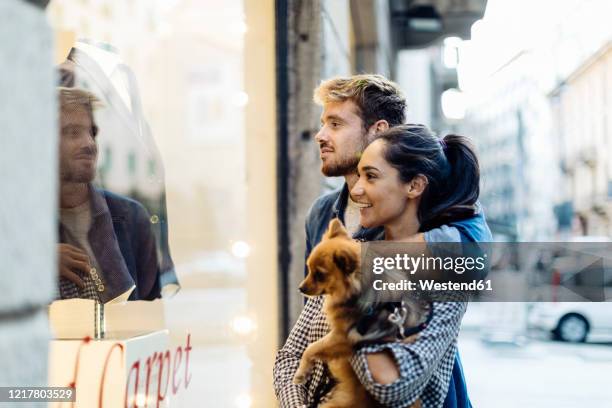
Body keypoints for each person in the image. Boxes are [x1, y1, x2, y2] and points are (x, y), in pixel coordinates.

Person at [273, 75, 490, 407]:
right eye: (322, 123)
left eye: (335, 123)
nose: (320, 135)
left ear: (377, 129)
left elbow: (394, 383)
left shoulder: (441, 245)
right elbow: (295, 351)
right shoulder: (325, 216)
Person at [57, 86, 161, 302]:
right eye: (73, 133)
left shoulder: (131, 217)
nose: (89, 144)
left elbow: (149, 314)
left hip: (120, 336)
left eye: (91, 132)